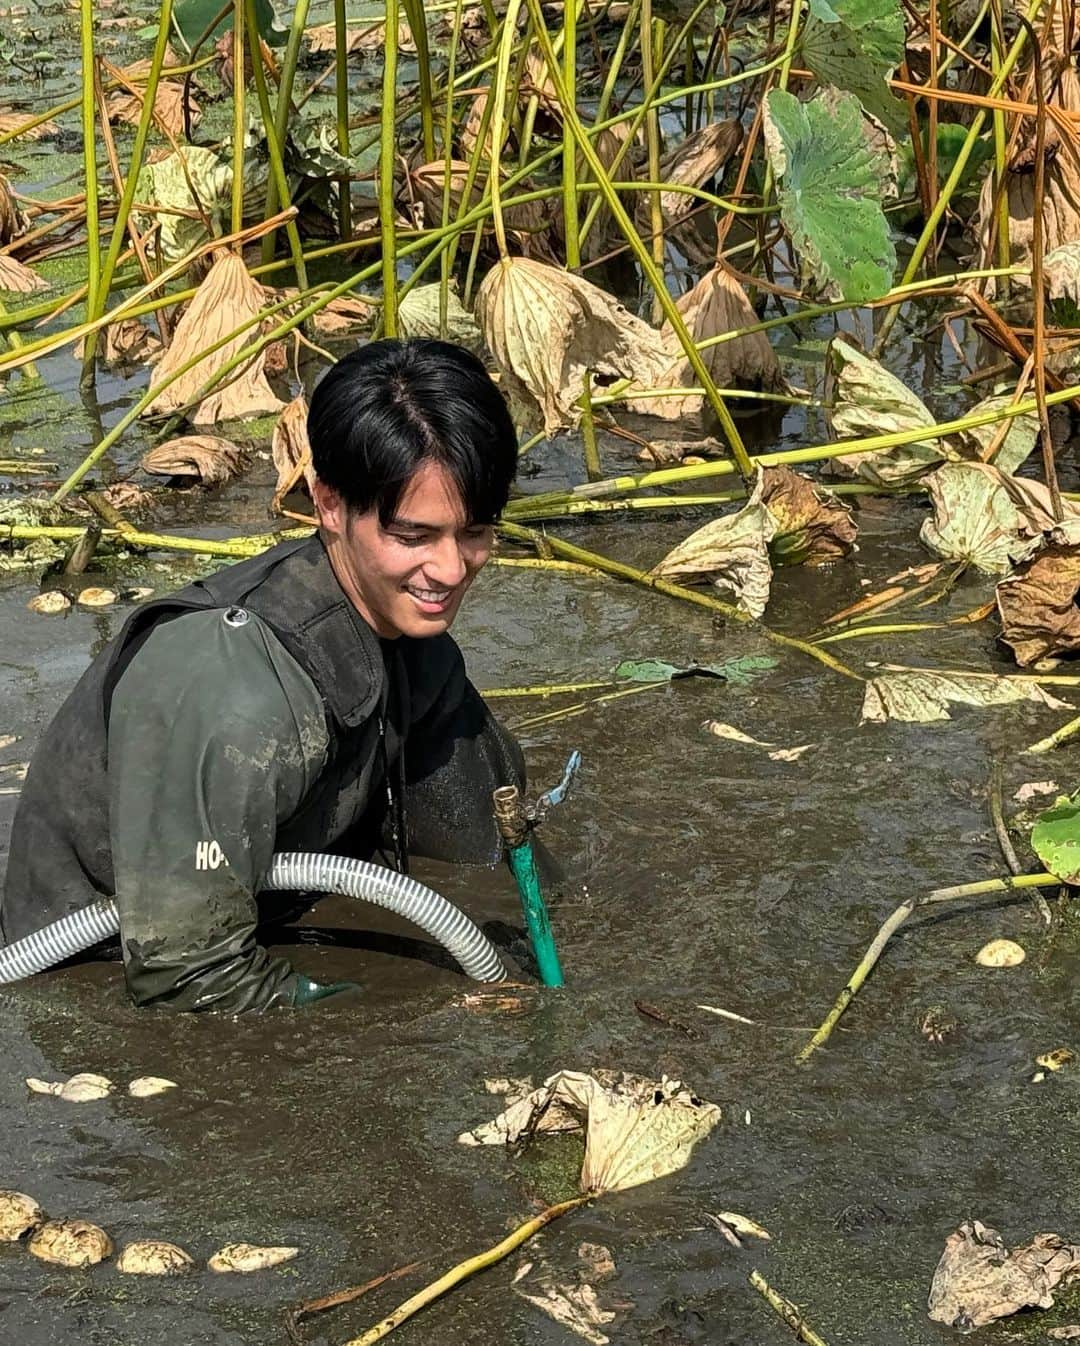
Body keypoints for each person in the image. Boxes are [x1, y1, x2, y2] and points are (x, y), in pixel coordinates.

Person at [0, 339, 525, 1013]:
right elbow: (190, 979)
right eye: (414, 536)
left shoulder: (416, 643)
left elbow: (488, 848)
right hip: (92, 978)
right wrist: (381, 1014)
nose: (452, 571)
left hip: (265, 924)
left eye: (476, 531)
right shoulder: (235, 696)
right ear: (329, 505)